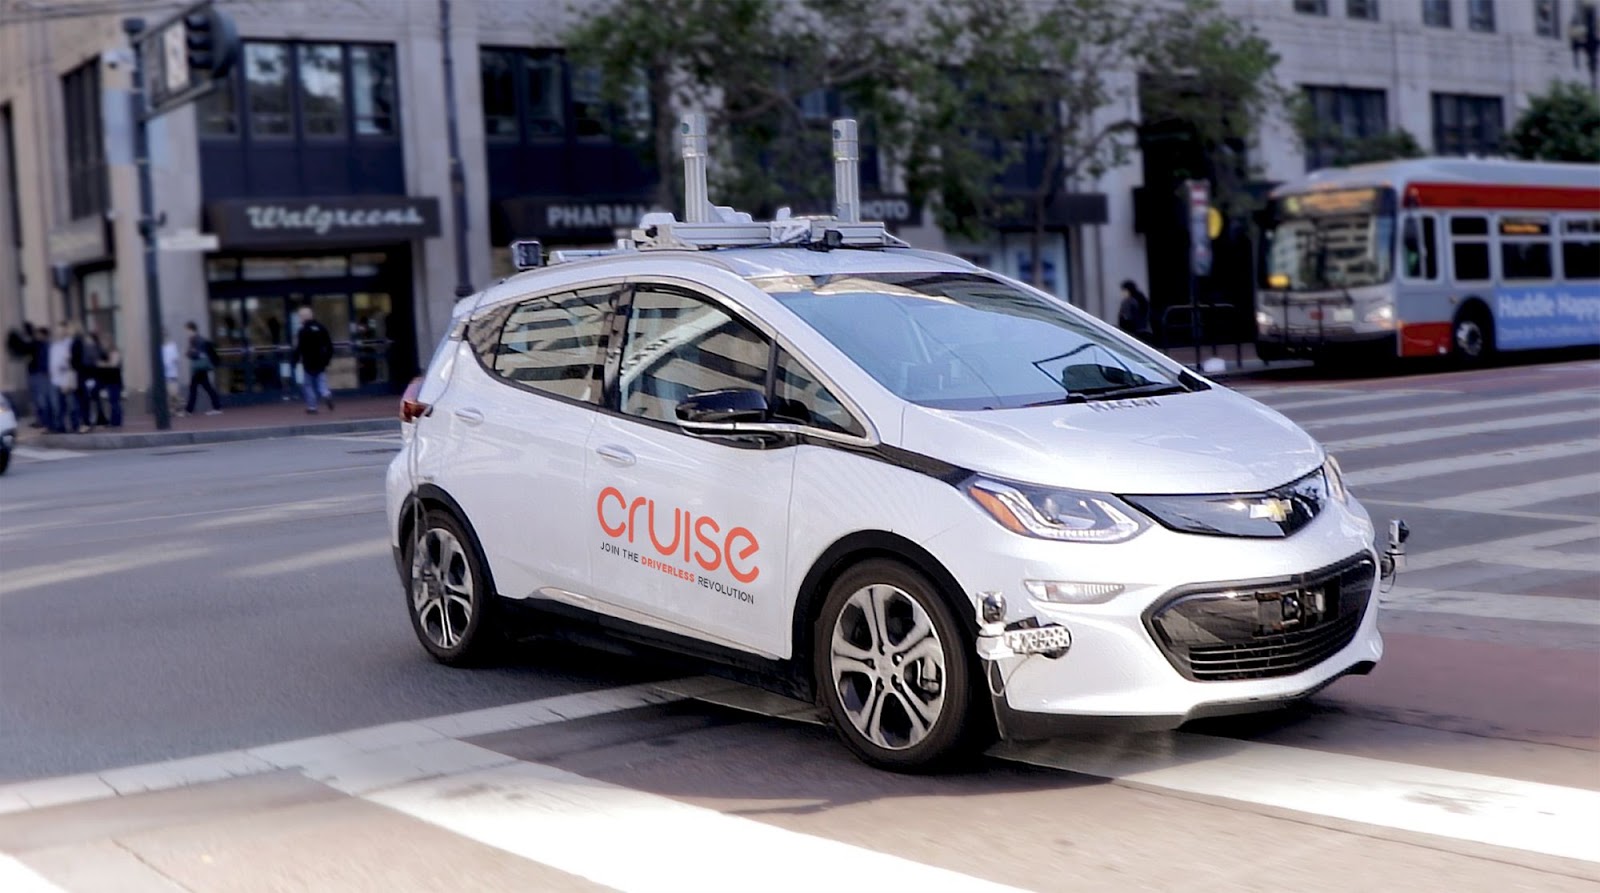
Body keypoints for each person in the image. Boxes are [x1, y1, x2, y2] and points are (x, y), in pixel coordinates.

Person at [292, 306, 335, 414]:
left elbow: (299, 348)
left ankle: (312, 407)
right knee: (322, 383)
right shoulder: (321, 328)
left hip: (308, 362)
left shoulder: (303, 331)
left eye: (300, 316)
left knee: (308, 385)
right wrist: (327, 359)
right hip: (321, 362)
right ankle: (326, 394)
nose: (299, 319)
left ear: (303, 317)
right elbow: (329, 345)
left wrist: (295, 360)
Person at [184, 321, 223, 416]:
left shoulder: (196, 339)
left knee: (193, 388)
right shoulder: (195, 339)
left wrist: (190, 353)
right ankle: (217, 407)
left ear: (191, 329)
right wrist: (190, 352)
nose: (186, 332)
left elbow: (199, 353)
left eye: (186, 330)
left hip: (199, 368)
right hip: (200, 368)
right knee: (207, 387)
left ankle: (189, 410)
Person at [48, 325, 78, 433]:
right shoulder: (54, 346)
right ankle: (60, 426)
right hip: (55, 380)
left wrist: (64, 365)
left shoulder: (68, 345)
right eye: (57, 332)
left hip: (66, 379)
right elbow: (52, 363)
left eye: (61, 332)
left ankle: (75, 425)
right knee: (57, 406)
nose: (58, 334)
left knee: (71, 404)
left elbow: (70, 361)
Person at [25, 324, 54, 431]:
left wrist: (45, 371)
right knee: (37, 400)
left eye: (39, 334)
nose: (37, 336)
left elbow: (45, 361)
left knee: (42, 399)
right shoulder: (37, 344)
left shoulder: (45, 345)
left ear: (43, 335)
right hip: (36, 373)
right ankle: (42, 421)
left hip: (41, 374)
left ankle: (46, 422)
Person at [95, 336, 123, 427]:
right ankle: (113, 421)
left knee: (115, 402)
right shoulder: (107, 353)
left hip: (115, 381)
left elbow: (113, 364)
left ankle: (116, 422)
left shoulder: (115, 352)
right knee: (112, 402)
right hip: (109, 381)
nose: (104, 344)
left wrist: (103, 364)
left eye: (105, 342)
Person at [161, 329, 183, 416]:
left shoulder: (172, 346)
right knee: (168, 394)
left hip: (172, 373)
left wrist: (172, 362)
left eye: (164, 335)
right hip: (163, 374)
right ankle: (171, 409)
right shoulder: (159, 347)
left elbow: (176, 359)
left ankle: (178, 410)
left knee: (174, 393)